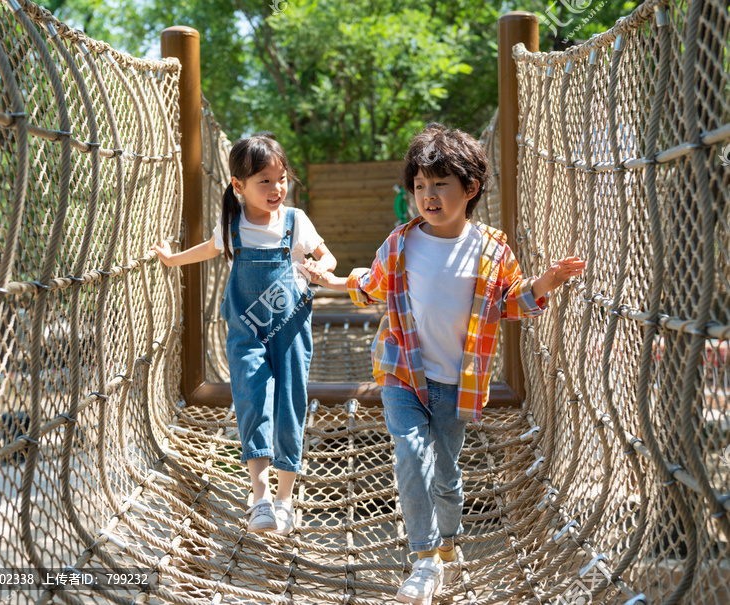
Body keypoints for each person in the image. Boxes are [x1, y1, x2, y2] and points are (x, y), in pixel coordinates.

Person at [307, 123, 584, 603]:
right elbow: (372, 284)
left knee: (447, 473)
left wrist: (545, 283)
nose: (427, 195)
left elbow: (510, 303)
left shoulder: (492, 250)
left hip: (458, 381)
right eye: (419, 185)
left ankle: (450, 544)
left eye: (440, 184)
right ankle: (424, 558)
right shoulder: (401, 242)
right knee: (411, 456)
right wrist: (329, 282)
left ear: (469, 189)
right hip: (402, 371)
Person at [151, 133, 337, 536]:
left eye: (281, 179)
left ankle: (286, 499)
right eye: (265, 182)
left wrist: (324, 270)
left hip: (290, 330)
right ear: (239, 186)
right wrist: (172, 259)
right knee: (252, 400)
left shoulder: (295, 221)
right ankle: (261, 497)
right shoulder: (232, 226)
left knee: (290, 402)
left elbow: (328, 256)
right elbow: (207, 249)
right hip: (246, 331)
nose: (277, 189)